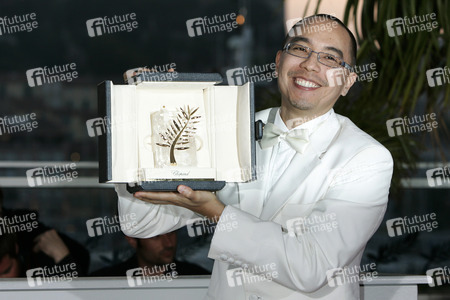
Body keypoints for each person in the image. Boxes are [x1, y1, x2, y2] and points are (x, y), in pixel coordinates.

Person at [116, 14, 393, 299]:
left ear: (347, 81)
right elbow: (142, 223)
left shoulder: (367, 157)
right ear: (277, 62)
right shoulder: (231, 126)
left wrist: (215, 212)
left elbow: (312, 267)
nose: (310, 64)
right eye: (300, 49)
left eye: (330, 59)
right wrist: (140, 114)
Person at [90, 230, 209, 276]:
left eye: (171, 233)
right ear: (132, 240)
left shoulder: (196, 277)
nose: (168, 243)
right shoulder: (108, 281)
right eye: (156, 236)